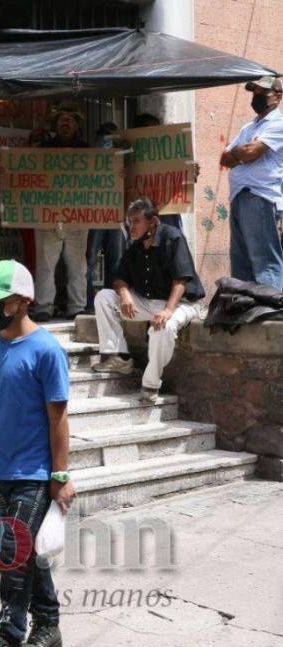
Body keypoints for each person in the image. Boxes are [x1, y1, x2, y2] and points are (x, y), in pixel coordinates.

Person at [0, 259, 75, 647]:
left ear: (23, 300)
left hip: (34, 474)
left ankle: (6, 638)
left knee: (12, 555)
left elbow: (58, 416)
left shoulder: (46, 349)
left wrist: (60, 476)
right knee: (28, 556)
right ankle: (49, 624)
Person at [92, 198, 205, 403]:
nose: (131, 227)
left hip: (181, 303)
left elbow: (181, 280)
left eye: (136, 221)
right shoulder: (135, 246)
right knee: (104, 297)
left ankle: (150, 385)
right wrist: (125, 294)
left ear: (153, 222)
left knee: (162, 327)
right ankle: (120, 357)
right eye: (129, 222)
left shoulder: (173, 238)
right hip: (147, 302)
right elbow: (119, 277)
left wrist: (168, 311)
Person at [220, 75, 283, 289]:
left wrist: (241, 152)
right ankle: (248, 311)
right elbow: (225, 158)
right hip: (239, 196)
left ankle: (272, 314)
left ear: (278, 96)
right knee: (241, 264)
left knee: (265, 263)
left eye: (262, 92)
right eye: (254, 91)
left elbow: (250, 152)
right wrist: (242, 152)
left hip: (260, 196)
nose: (256, 96)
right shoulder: (249, 128)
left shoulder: (278, 124)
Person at [32, 104, 90, 322]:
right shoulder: (42, 150)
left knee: (78, 266)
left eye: (70, 119)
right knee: (45, 264)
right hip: (48, 216)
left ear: (76, 125)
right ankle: (43, 306)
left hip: (77, 218)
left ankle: (77, 307)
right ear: (56, 124)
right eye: (62, 119)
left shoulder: (88, 151)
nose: (66, 122)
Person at [132, 112, 200, 234]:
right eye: (150, 129)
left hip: (168, 214)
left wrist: (191, 173)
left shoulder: (170, 154)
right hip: (144, 214)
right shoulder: (132, 157)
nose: (155, 133)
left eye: (157, 129)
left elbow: (183, 181)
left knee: (172, 247)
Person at [84, 122, 125, 313]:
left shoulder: (124, 158)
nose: (107, 140)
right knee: (89, 258)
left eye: (111, 137)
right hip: (94, 214)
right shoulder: (88, 158)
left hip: (115, 215)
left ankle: (109, 300)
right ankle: (87, 301)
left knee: (114, 259)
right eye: (104, 136)